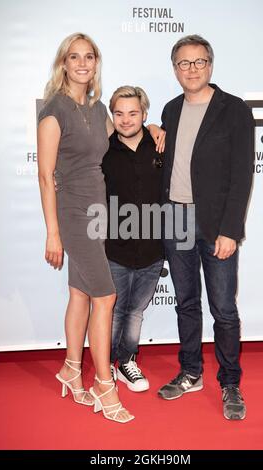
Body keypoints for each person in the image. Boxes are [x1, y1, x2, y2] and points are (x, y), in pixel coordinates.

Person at [37, 33, 136, 423]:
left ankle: (72, 370)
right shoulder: (53, 110)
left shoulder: (96, 110)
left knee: (80, 294)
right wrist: (53, 232)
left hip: (98, 212)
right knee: (106, 297)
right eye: (73, 57)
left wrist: (156, 128)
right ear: (63, 63)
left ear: (96, 63)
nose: (82, 63)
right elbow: (46, 176)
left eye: (89, 56)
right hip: (73, 214)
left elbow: (121, 135)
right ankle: (104, 384)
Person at [157, 35, 254, 420]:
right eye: (184, 63)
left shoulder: (234, 110)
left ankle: (230, 382)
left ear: (210, 66)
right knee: (186, 303)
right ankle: (191, 372)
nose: (192, 69)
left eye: (198, 62)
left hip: (216, 226)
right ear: (175, 69)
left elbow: (242, 174)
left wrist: (231, 230)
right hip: (175, 218)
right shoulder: (169, 110)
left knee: (224, 309)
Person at [102, 86, 164, 392]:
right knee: (113, 311)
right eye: (119, 113)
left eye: (133, 113)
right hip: (114, 247)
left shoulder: (160, 145)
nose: (126, 120)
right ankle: (106, 367)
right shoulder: (103, 150)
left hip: (153, 249)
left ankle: (126, 362)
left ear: (144, 114)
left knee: (135, 312)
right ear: (112, 116)